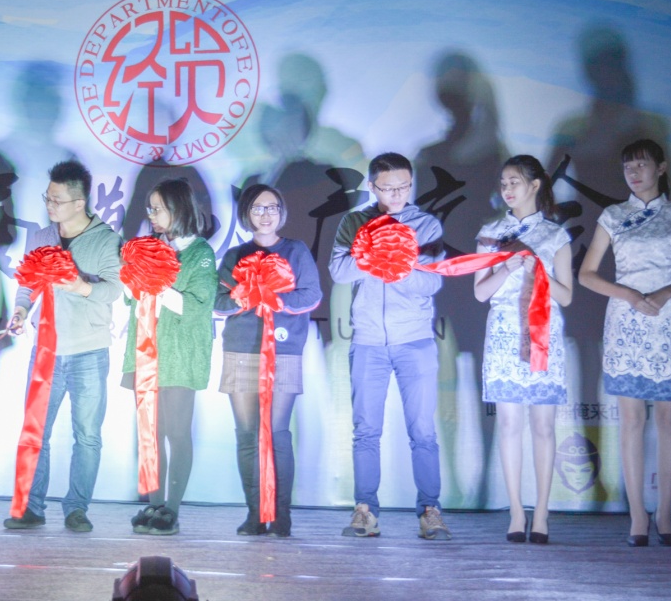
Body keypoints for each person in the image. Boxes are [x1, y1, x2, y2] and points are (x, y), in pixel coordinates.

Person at [578, 139, 671, 547]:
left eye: (641, 165)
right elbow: (587, 274)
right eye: (628, 167)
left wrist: (668, 292)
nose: (634, 173)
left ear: (661, 168)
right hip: (626, 321)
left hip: (667, 322)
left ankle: (665, 515)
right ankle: (637, 516)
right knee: (632, 420)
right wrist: (630, 296)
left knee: (669, 421)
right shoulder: (614, 215)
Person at [330, 152, 451, 540]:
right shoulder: (354, 222)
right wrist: (373, 252)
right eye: (388, 187)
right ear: (372, 186)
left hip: (415, 340)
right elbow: (338, 270)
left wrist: (397, 265)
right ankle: (365, 511)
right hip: (368, 340)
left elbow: (432, 281)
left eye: (404, 186)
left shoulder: (425, 224)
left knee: (423, 430)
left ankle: (430, 510)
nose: (397, 194)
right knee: (366, 430)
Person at [2, 160, 122, 532]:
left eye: (56, 200)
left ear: (79, 202)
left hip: (89, 350)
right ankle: (31, 507)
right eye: (47, 198)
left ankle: (76, 509)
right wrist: (21, 310)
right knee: (36, 430)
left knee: (87, 436)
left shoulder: (105, 239)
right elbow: (27, 283)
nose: (49, 205)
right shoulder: (41, 237)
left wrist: (80, 286)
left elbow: (114, 290)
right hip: (46, 351)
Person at [472, 156, 573, 544]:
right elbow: (481, 293)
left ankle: (542, 513)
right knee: (510, 425)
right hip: (503, 334)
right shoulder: (490, 233)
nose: (507, 189)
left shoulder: (555, 236)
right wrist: (508, 267)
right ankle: (516, 512)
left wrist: (537, 271)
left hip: (542, 333)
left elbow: (566, 296)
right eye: (503, 183)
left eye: (514, 182)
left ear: (535, 185)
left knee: (543, 427)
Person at [216, 184, 321, 537]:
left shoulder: (296, 250)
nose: (266, 215)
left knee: (277, 433)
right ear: (246, 213)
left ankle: (281, 514)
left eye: (272, 207)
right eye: (258, 208)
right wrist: (244, 295)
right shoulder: (235, 255)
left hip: (283, 349)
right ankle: (254, 514)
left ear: (281, 212)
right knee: (248, 435)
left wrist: (275, 297)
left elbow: (312, 295)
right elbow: (217, 301)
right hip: (241, 349)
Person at [123, 178, 217, 536]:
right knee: (151, 434)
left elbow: (197, 306)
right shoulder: (148, 246)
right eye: (150, 208)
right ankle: (154, 503)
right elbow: (130, 298)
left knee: (176, 433)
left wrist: (157, 284)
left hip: (180, 354)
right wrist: (133, 278)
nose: (152, 215)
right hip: (146, 350)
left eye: (158, 208)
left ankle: (171, 509)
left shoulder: (200, 252)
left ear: (179, 209)